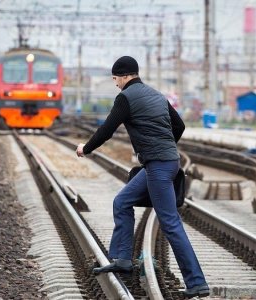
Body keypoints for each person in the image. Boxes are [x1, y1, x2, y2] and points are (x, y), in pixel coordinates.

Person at [75, 56, 209, 298]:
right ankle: (123, 259)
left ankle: (197, 282)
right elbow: (178, 126)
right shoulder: (157, 95)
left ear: (124, 76)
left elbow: (107, 129)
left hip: (158, 166)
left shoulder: (125, 98)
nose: (115, 83)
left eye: (115, 78)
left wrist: (85, 148)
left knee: (170, 222)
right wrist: (164, 147)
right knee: (122, 201)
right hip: (163, 163)